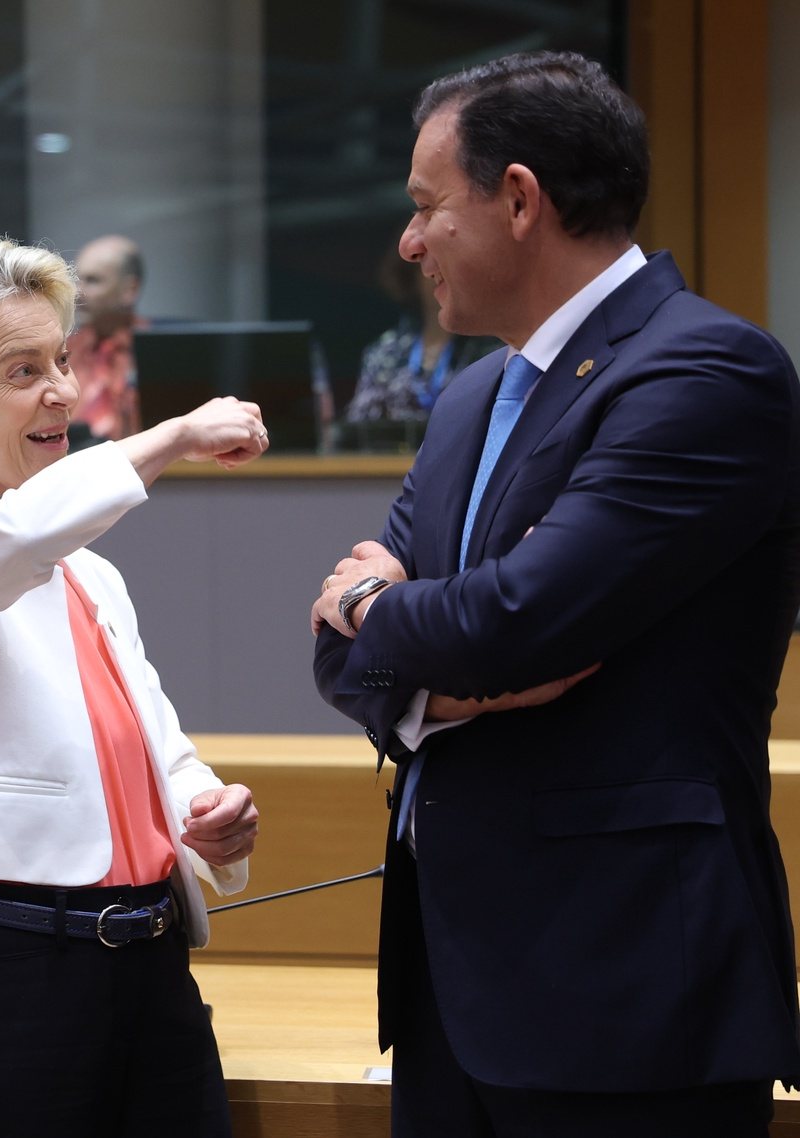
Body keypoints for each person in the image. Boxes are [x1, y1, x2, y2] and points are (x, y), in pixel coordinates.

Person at [310, 51, 800, 1136]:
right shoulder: (471, 392)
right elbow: (345, 659)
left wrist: (377, 609)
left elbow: (510, 622)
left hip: (625, 990)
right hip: (450, 990)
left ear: (519, 198)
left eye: (424, 207)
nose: (406, 241)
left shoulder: (703, 371)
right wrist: (409, 653)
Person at [0, 236, 267, 1136]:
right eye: (24, 370)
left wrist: (205, 808)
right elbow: (2, 547)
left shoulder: (86, 569)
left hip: (149, 964)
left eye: (62, 360)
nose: (63, 392)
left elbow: (159, 748)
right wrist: (174, 435)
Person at [341, 253, 497, 448]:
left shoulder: (492, 349)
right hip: (385, 466)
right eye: (427, 263)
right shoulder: (384, 350)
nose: (437, 273)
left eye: (446, 263)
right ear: (411, 275)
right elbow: (355, 426)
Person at [68, 233, 151, 441]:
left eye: (93, 281)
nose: (78, 292)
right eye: (77, 280)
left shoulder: (158, 350)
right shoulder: (64, 349)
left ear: (130, 289)